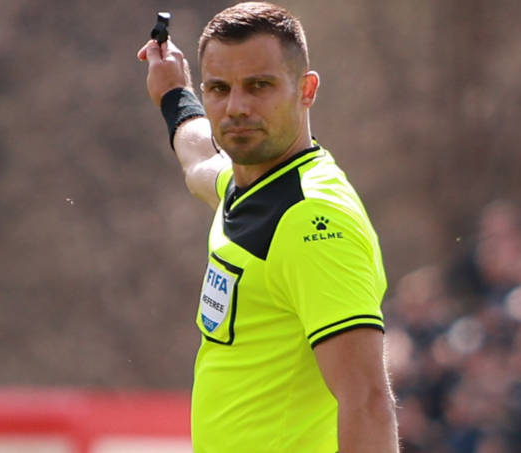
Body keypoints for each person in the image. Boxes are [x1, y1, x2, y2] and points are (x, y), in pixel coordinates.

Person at [138, 2, 399, 452]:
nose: (236, 107)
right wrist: (175, 93)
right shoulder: (249, 186)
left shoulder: (313, 220)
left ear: (306, 89)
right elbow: (199, 160)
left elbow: (368, 402)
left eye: (259, 85)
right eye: (219, 88)